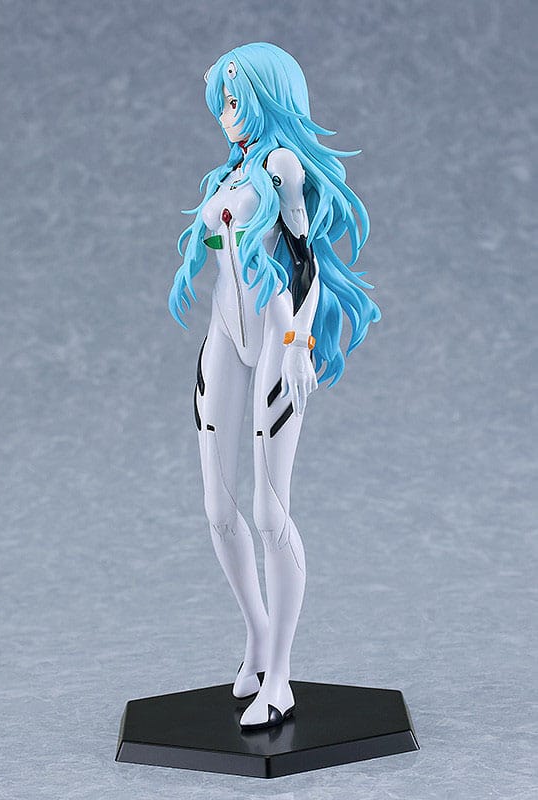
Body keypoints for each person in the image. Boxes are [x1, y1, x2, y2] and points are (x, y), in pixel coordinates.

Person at [168, 42, 380, 730]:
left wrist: (297, 344)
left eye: (236, 100)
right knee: (217, 507)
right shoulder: (229, 173)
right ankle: (257, 636)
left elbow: (304, 259)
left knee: (268, 511)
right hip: (224, 337)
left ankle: (281, 676)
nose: (226, 114)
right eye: (221, 103)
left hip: (275, 336)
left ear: (268, 97)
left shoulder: (282, 165)